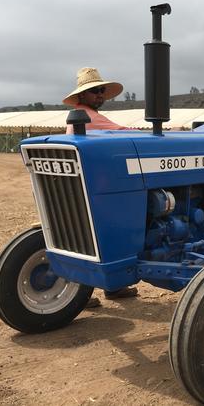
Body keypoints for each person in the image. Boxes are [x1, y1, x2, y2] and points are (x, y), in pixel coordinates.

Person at [63, 67, 138, 301]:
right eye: (95, 91)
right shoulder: (89, 118)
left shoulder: (81, 116)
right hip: (93, 187)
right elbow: (125, 134)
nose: (100, 96)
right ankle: (84, 293)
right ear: (81, 96)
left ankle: (114, 285)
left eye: (102, 91)